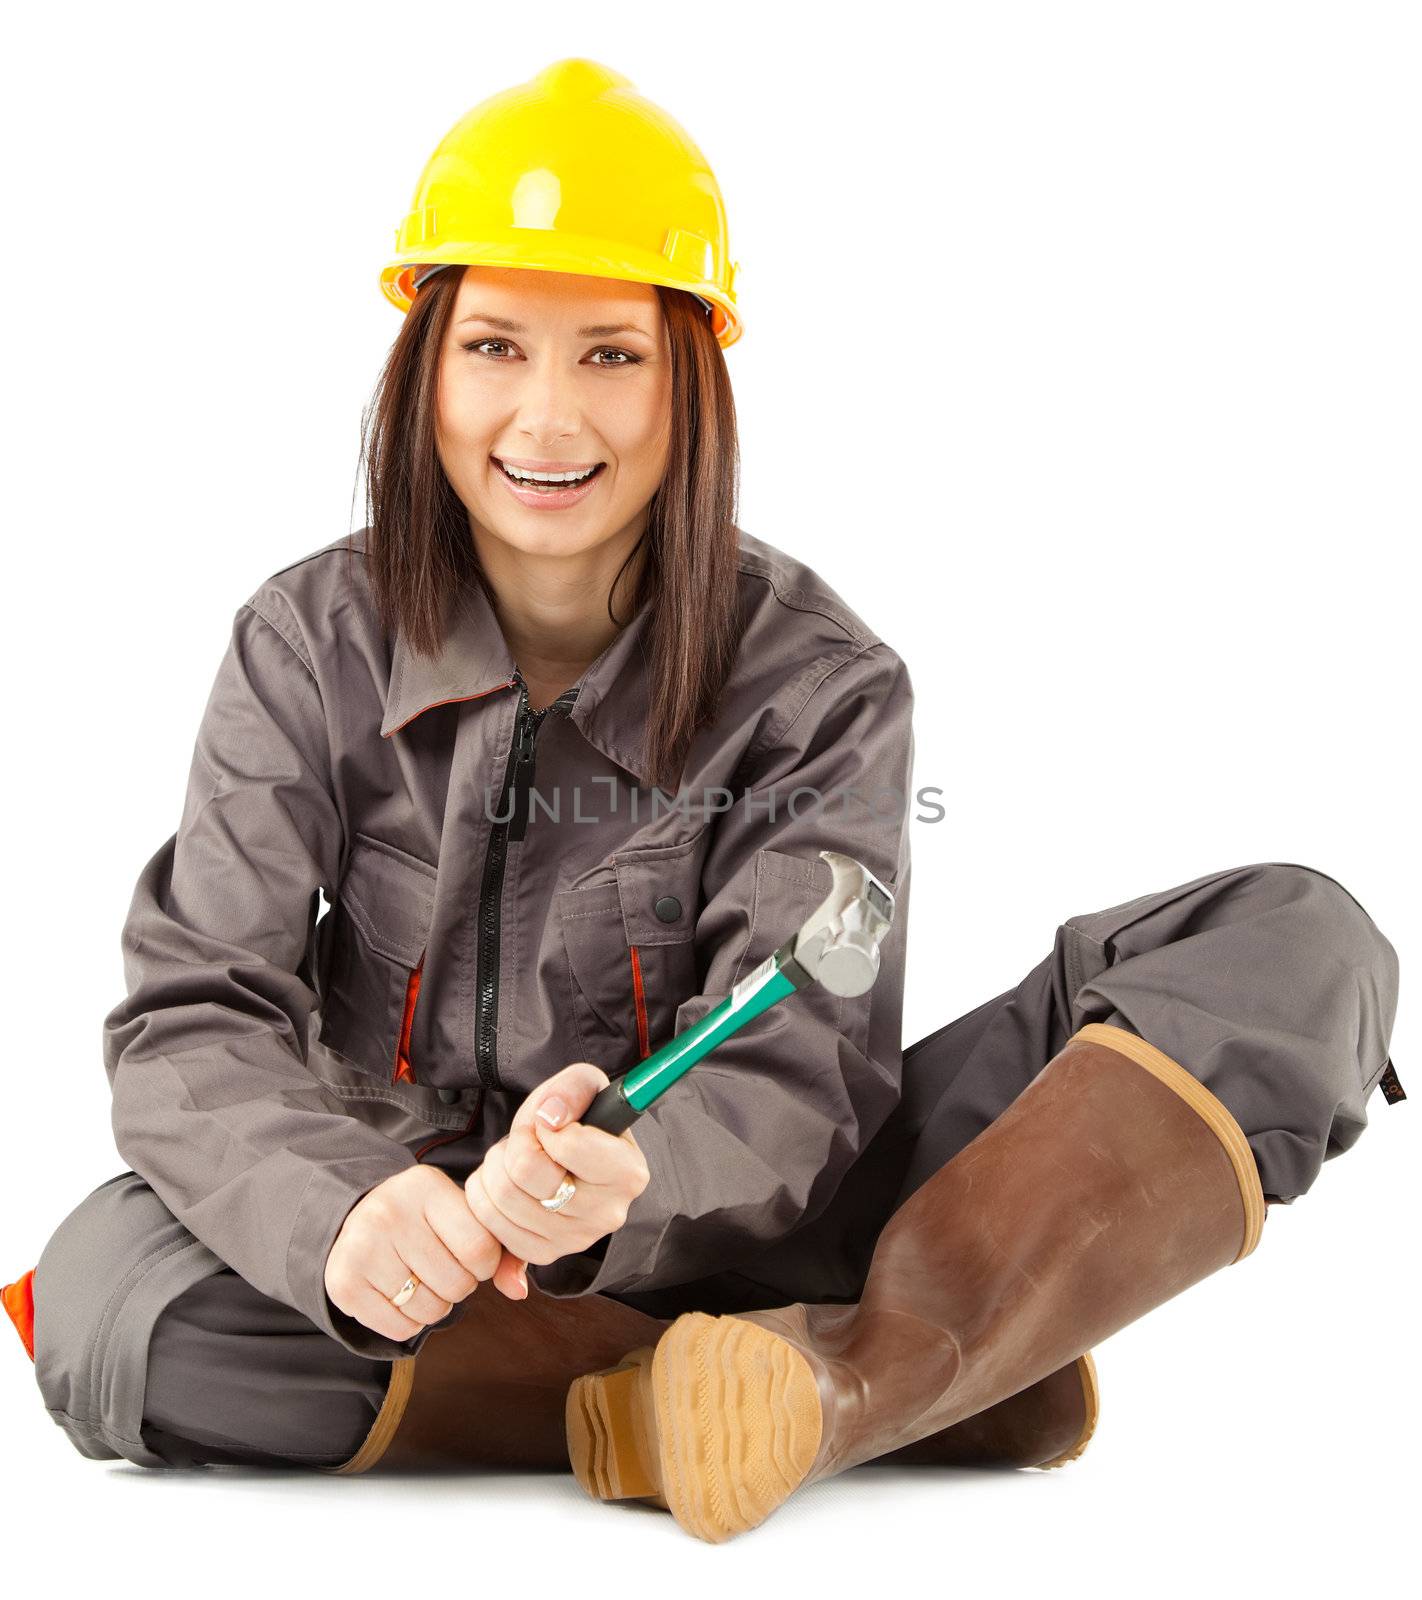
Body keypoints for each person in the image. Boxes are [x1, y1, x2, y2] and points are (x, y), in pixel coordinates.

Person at [2, 57, 1402, 1544]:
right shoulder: (304, 646)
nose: (544, 417)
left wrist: (630, 1176)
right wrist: (340, 1210)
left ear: (691, 379)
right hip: (444, 1250)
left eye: (609, 354)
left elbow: (803, 1062)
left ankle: (852, 1383)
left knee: (1295, 950)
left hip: (778, 1220)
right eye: (494, 348)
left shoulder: (823, 681)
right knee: (109, 1302)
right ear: (425, 368)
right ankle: (929, 1375)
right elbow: (193, 1016)